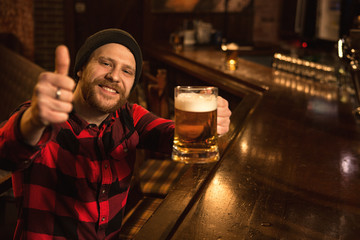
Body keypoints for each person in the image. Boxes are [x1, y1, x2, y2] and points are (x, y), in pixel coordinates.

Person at [0, 28, 231, 239]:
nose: (114, 76)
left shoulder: (129, 116)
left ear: (131, 85)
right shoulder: (45, 118)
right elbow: (8, 151)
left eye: (127, 71)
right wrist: (33, 120)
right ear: (80, 68)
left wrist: (209, 126)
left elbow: (172, 136)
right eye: (106, 63)